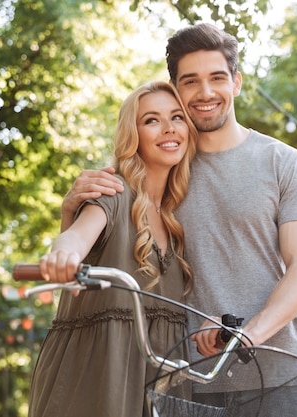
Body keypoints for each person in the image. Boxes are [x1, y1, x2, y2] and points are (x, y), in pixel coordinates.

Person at [61, 22, 297, 416]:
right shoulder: (158, 166)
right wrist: (69, 213)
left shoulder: (281, 161)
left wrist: (244, 336)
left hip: (274, 377)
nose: (205, 92)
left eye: (217, 78)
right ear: (176, 90)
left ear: (236, 82)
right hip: (183, 382)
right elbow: (96, 242)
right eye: (190, 82)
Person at [28, 81, 198, 417]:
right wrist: (64, 256)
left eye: (177, 117)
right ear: (132, 134)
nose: (168, 128)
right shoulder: (112, 191)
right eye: (152, 120)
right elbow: (77, 236)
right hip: (98, 380)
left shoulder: (178, 219)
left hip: (164, 389)